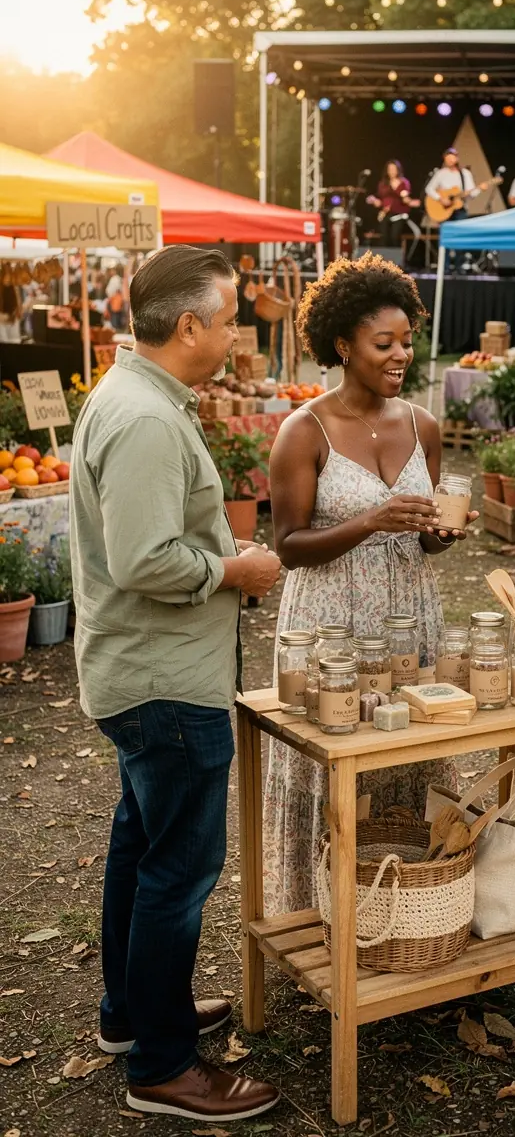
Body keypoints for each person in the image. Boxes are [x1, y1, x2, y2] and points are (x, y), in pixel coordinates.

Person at [69, 245, 283, 1122]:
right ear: (188, 324)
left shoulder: (132, 398)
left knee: (142, 849)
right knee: (179, 873)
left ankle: (134, 1015)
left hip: (144, 671)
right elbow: (145, 558)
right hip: (164, 681)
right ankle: (163, 1065)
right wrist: (238, 569)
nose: (237, 332)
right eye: (230, 317)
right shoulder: (147, 419)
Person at [264, 252, 477, 913]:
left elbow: (420, 535)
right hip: (329, 626)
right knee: (330, 767)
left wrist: (434, 535)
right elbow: (289, 548)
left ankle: (404, 915)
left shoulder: (424, 426)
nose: (401, 355)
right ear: (342, 345)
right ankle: (313, 915)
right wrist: (370, 519)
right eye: (384, 343)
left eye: (407, 342)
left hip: (407, 617)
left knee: (406, 758)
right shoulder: (304, 431)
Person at [368, 159, 422, 250]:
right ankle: (384, 259)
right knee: (384, 236)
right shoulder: (383, 183)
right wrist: (375, 201)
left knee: (394, 236)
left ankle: (396, 259)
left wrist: (410, 201)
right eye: (390, 169)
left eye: (394, 169)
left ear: (398, 170)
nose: (392, 171)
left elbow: (406, 199)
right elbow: (380, 200)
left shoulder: (404, 182)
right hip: (385, 214)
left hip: (399, 214)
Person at [425, 147, 486, 221]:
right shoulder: (441, 173)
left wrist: (480, 189)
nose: (449, 161)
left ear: (457, 159)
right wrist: (440, 199)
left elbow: (471, 194)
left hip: (460, 209)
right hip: (444, 210)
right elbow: (429, 189)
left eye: (451, 159)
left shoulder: (465, 174)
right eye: (447, 159)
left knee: (461, 231)